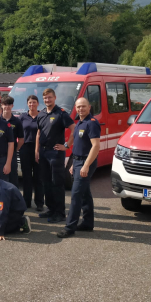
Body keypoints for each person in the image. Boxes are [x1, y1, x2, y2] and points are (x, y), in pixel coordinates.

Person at [57, 98, 101, 238]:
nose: (81, 109)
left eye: (83, 106)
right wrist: (73, 165)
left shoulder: (92, 123)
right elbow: (78, 146)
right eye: (78, 107)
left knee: (75, 195)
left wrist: (86, 165)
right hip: (77, 162)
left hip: (85, 162)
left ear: (89, 107)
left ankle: (69, 227)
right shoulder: (79, 123)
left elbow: (96, 146)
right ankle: (88, 223)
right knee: (85, 193)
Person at [36, 88, 75, 223]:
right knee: (46, 182)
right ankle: (51, 209)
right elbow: (39, 133)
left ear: (55, 98)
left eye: (50, 97)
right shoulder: (41, 114)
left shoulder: (61, 113)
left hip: (56, 153)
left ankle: (59, 213)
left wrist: (67, 145)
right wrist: (37, 150)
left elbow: (73, 128)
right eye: (45, 98)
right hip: (43, 152)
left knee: (56, 183)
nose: (48, 100)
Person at [20, 95, 43, 211]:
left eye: (34, 102)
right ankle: (26, 201)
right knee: (26, 177)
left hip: (38, 149)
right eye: (30, 102)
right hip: (25, 148)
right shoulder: (23, 117)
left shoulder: (42, 116)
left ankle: (39, 203)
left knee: (38, 177)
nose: (32, 104)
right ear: (27, 104)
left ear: (38, 103)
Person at [1, 95, 24, 187]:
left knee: (13, 178)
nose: (7, 106)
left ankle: (14, 200)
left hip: (12, 155)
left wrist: (15, 150)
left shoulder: (17, 121)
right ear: (1, 105)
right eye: (5, 104)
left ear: (12, 106)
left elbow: (21, 139)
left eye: (9, 104)